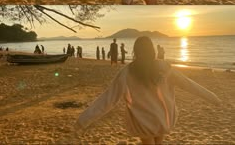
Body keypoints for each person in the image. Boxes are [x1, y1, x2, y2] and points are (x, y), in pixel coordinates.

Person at [77, 37, 221, 145]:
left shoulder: (127, 72)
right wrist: (213, 98)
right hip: (162, 119)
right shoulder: (164, 68)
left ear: (135, 52)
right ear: (152, 50)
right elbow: (188, 84)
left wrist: (84, 120)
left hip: (142, 122)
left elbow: (108, 99)